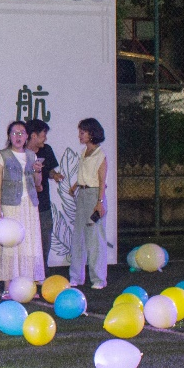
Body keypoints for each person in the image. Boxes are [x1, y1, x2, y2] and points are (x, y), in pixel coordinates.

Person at [0, 120, 44, 296]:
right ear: (9, 136)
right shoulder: (2, 156)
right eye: (14, 133)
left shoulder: (32, 155)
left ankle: (29, 287)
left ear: (27, 136)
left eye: (22, 133)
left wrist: (37, 171)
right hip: (10, 205)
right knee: (10, 244)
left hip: (29, 205)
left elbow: (38, 184)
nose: (18, 136)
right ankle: (8, 287)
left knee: (29, 245)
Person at [69, 117, 111, 290]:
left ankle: (99, 279)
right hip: (83, 194)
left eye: (83, 132)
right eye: (80, 132)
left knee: (95, 239)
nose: (80, 135)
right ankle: (76, 277)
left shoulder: (100, 155)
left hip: (94, 196)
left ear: (92, 133)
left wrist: (99, 202)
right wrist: (75, 186)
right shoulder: (84, 152)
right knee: (78, 236)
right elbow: (84, 174)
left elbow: (101, 181)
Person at [25, 118, 62, 274]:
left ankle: (42, 272)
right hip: (25, 205)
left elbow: (50, 171)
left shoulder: (46, 150)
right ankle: (26, 273)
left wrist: (55, 175)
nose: (45, 139)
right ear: (33, 135)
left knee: (44, 239)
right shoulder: (20, 152)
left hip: (43, 203)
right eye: (43, 135)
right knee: (26, 241)